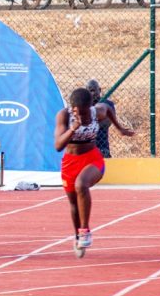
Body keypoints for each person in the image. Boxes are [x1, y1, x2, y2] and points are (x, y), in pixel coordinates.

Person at [54, 87, 134, 256]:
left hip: (92, 159)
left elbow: (109, 109)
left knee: (81, 185)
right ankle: (78, 237)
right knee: (73, 202)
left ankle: (85, 231)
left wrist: (119, 128)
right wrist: (74, 128)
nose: (83, 117)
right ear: (73, 108)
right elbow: (58, 145)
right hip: (70, 162)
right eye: (79, 113)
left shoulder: (96, 112)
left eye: (86, 113)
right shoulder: (65, 116)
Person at [85, 79, 117, 158]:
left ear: (99, 90)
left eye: (93, 90)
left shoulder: (107, 104)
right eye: (89, 91)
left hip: (103, 146)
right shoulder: (84, 105)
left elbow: (107, 122)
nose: (91, 94)